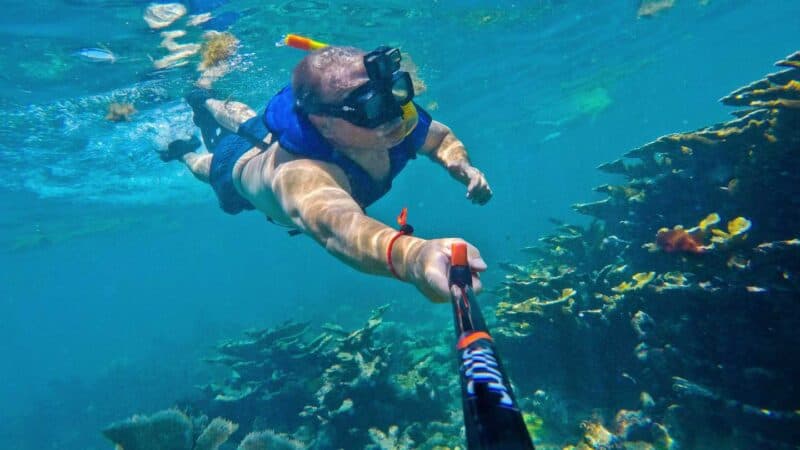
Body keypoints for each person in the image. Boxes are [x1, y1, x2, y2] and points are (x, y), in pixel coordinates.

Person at [158, 45, 492, 302]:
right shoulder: (302, 175)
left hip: (278, 132)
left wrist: (460, 165)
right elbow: (338, 229)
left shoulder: (389, 119)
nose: (393, 114)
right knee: (208, 165)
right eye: (372, 108)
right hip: (237, 167)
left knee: (250, 120)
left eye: (397, 93)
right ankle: (185, 148)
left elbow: (440, 138)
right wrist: (415, 258)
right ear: (324, 123)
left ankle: (210, 102)